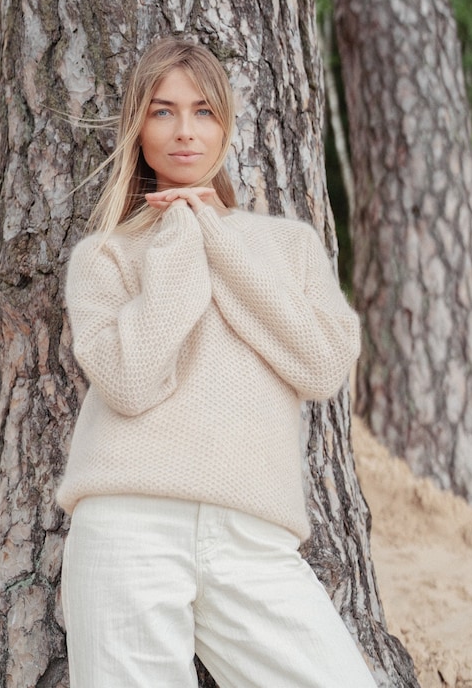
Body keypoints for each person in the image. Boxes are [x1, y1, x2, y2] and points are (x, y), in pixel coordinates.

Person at [58, 37, 377, 688]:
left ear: (226, 124)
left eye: (203, 111)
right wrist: (178, 236)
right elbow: (130, 381)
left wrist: (214, 232)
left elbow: (323, 366)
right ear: (138, 126)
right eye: (163, 111)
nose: (184, 131)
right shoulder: (104, 257)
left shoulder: (289, 246)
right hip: (127, 526)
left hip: (253, 537)